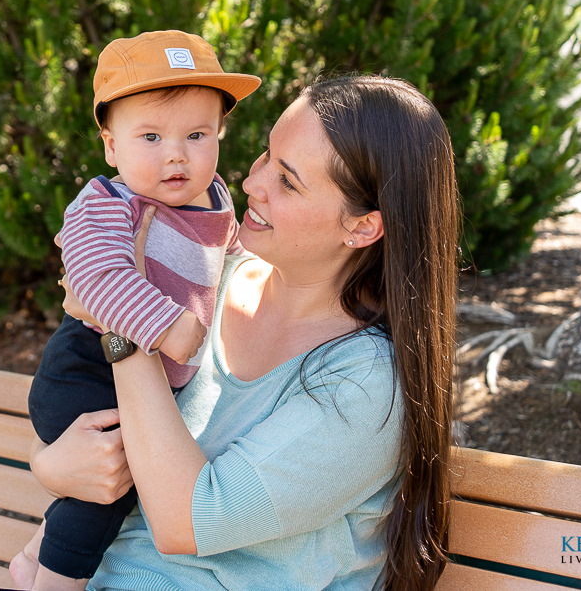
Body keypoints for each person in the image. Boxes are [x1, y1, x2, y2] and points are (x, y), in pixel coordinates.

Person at [31, 75, 458, 591]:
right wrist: (50, 467)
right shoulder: (210, 280)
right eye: (265, 156)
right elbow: (93, 441)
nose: (253, 183)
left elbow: (184, 521)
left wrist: (122, 326)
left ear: (363, 226)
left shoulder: (363, 385)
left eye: (288, 181)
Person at [11, 30, 261, 591]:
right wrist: (168, 326)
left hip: (150, 382)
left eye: (197, 134)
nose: (176, 153)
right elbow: (96, 279)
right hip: (87, 369)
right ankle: (52, 582)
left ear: (219, 134)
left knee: (117, 483)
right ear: (110, 146)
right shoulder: (106, 203)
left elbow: (236, 260)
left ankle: (31, 557)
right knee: (109, 489)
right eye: (150, 136)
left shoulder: (217, 199)